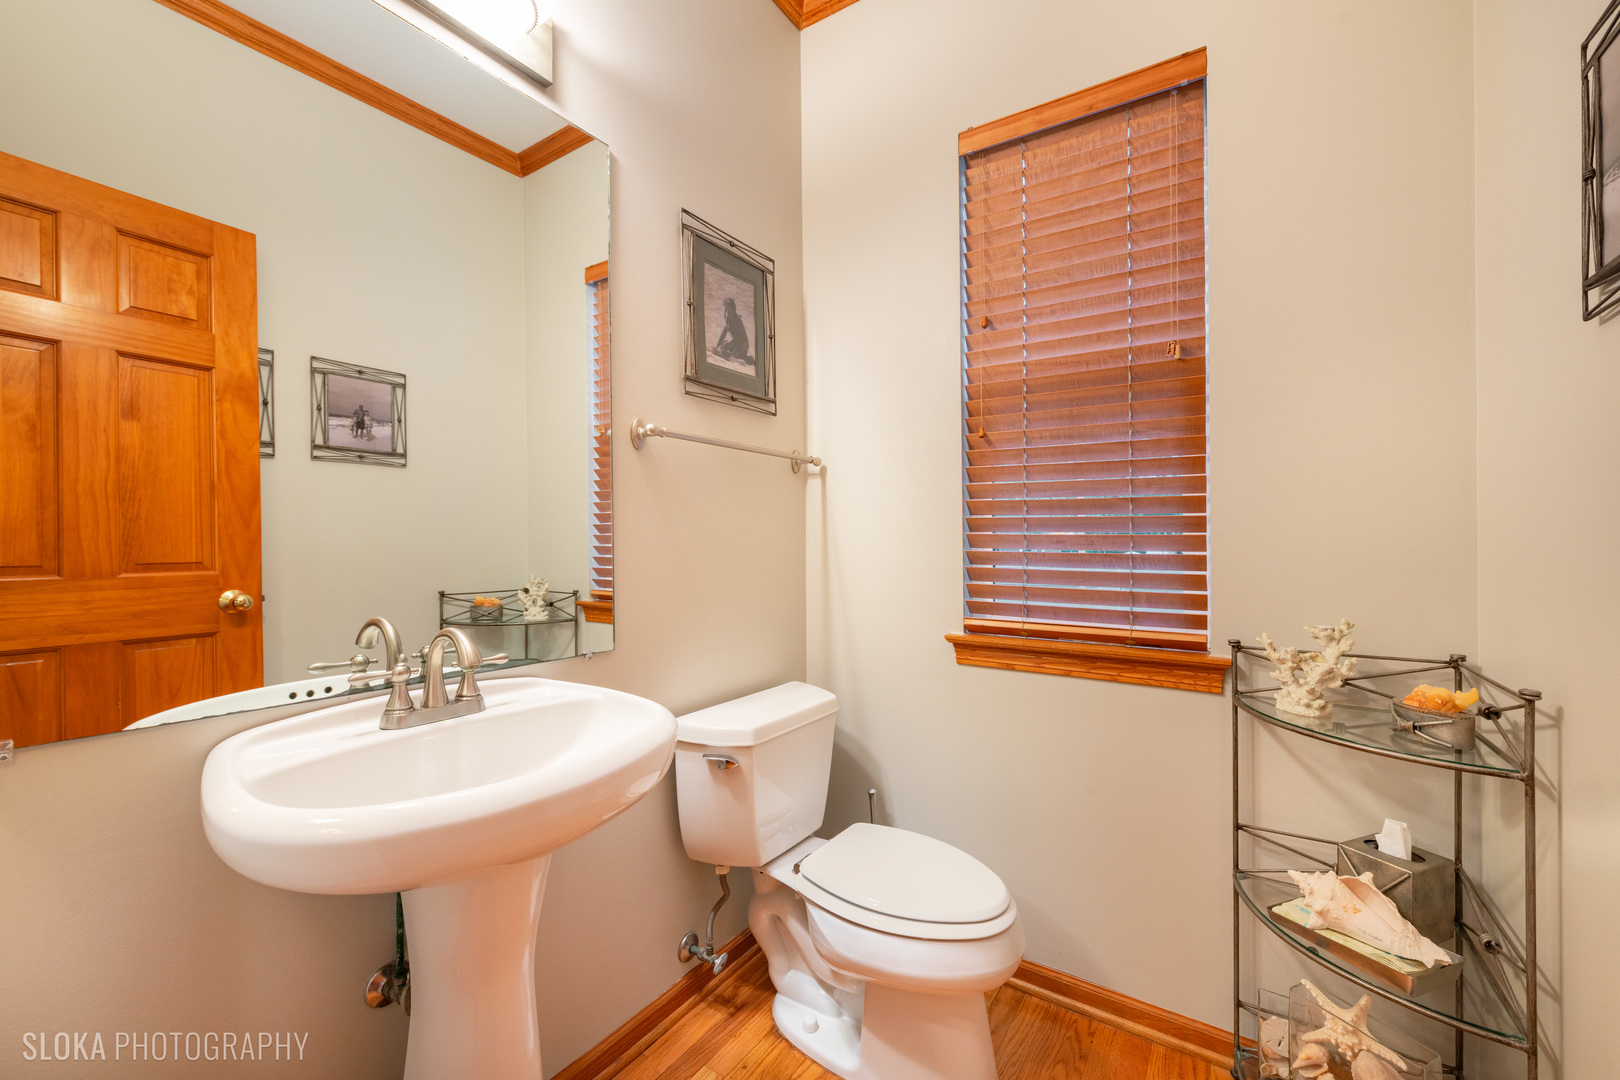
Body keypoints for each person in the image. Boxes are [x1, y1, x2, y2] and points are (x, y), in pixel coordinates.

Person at [713, 297, 751, 362]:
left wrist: (730, 343)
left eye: (729, 308)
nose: (727, 310)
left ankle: (742, 356)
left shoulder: (738, 320)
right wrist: (717, 345)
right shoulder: (728, 319)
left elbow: (741, 339)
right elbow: (724, 333)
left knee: (733, 352)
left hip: (743, 345)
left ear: (733, 308)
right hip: (736, 342)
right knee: (723, 345)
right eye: (726, 308)